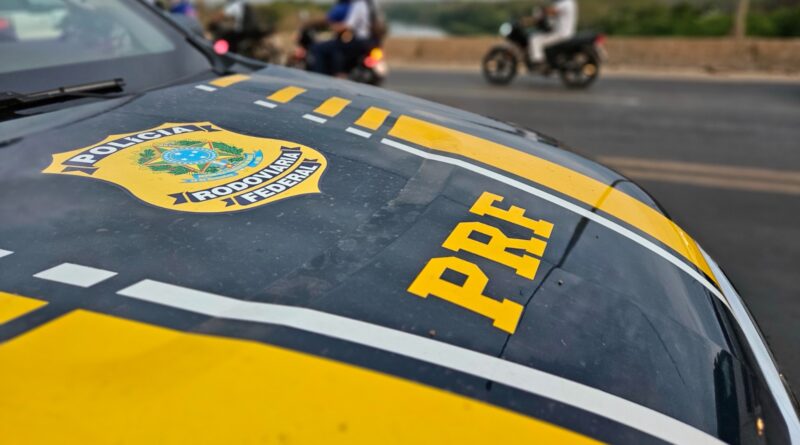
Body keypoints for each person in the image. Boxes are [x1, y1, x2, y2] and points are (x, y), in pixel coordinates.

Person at [310, 0, 374, 77]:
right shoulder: (366, 5)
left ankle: (321, 77)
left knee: (319, 48)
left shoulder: (358, 5)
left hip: (358, 41)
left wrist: (334, 27)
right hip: (364, 41)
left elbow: (348, 26)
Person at [527, 0, 577, 65]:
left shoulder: (566, 3)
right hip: (562, 33)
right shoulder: (568, 2)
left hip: (561, 34)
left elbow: (552, 11)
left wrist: (541, 7)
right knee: (540, 37)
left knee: (535, 40)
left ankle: (539, 63)